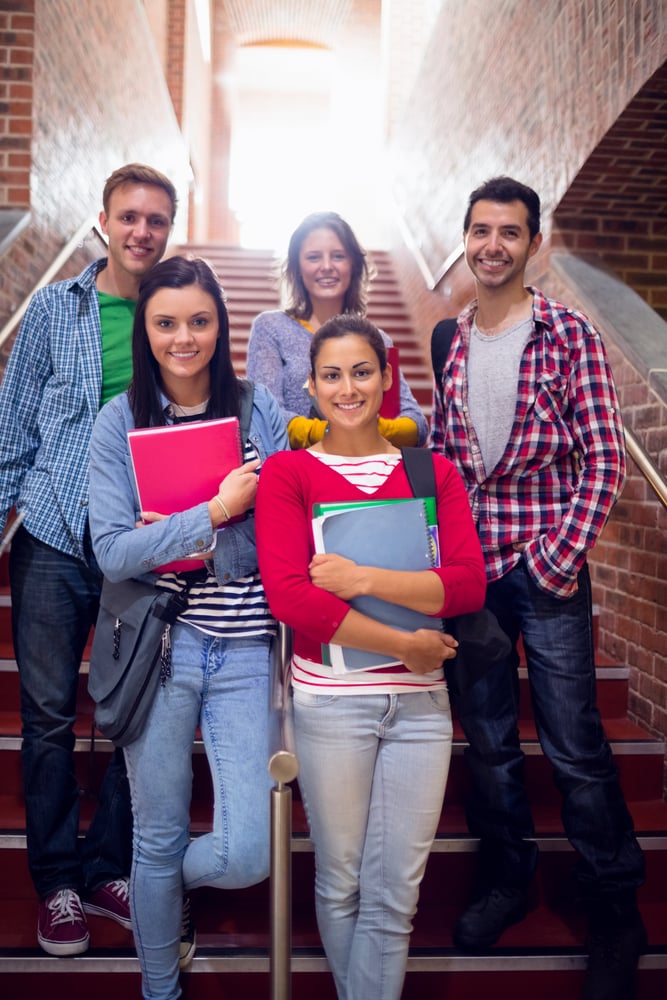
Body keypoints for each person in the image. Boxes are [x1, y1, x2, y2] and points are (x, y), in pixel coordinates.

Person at [430, 176, 646, 1000]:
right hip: (471, 577)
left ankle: (613, 907)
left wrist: (552, 560)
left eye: (508, 232)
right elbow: (449, 469)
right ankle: (507, 879)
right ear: (465, 238)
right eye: (479, 230)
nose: (491, 245)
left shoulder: (568, 334)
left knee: (574, 747)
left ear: (532, 244)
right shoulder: (450, 337)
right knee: (487, 744)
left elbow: (604, 457)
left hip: (546, 567)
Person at [255, 314, 486, 1000]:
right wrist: (405, 643)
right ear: (311, 385)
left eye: (362, 372)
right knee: (343, 878)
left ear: (387, 380)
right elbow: (292, 598)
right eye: (331, 374)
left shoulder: (429, 470)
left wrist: (361, 579)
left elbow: (468, 583)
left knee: (395, 895)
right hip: (330, 703)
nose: (347, 387)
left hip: (420, 709)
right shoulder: (288, 473)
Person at [88, 255, 288, 1000]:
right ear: (146, 328)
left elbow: (287, 522)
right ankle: (159, 988)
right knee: (157, 830)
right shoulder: (120, 421)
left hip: (243, 646)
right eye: (166, 322)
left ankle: (156, 890)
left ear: (220, 325)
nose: (184, 338)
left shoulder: (255, 406)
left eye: (199, 321)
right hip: (160, 649)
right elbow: (112, 551)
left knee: (245, 853)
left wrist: (174, 532)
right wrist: (207, 514)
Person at [0, 162, 178, 956]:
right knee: (46, 721)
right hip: (50, 539)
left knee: (134, 716)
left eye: (157, 220)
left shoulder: (178, 315)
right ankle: (59, 884)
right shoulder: (52, 311)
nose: (143, 231)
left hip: (137, 544)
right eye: (130, 216)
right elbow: (12, 428)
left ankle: (108, 867)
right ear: (103, 221)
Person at [247, 210, 428, 449]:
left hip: (366, 474)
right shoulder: (271, 328)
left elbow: (416, 424)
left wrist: (369, 432)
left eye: (338, 256)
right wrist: (339, 431)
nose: (326, 266)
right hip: (299, 473)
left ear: (353, 265)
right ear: (297, 267)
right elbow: (265, 414)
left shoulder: (378, 339)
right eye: (313, 257)